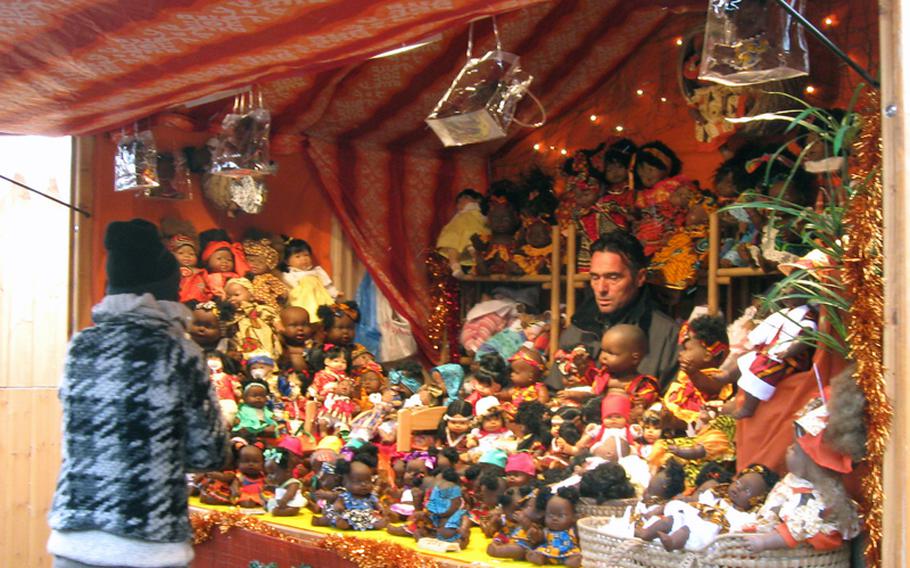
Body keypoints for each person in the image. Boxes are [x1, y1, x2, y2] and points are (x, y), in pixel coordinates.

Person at [48, 219, 228, 568]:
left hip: (74, 538)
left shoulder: (80, 347)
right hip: (150, 544)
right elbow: (210, 453)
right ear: (168, 293)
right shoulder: (178, 352)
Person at [546, 230, 679, 391]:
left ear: (640, 277)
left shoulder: (665, 335)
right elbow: (554, 391)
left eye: (613, 277)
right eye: (595, 277)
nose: (601, 288)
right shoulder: (577, 329)